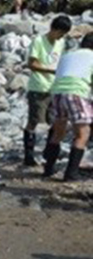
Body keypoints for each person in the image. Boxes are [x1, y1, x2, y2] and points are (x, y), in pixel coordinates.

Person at [42, 33, 93, 180]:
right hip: (76, 93)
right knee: (82, 134)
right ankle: (71, 173)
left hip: (57, 93)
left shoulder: (67, 55)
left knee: (58, 133)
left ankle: (48, 169)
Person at [23, 15, 71, 167]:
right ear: (54, 29)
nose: (61, 36)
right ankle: (28, 155)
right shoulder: (38, 41)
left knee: (54, 121)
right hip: (38, 87)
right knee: (35, 121)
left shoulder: (60, 42)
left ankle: (48, 153)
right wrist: (51, 70)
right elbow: (32, 64)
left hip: (54, 87)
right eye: (60, 32)